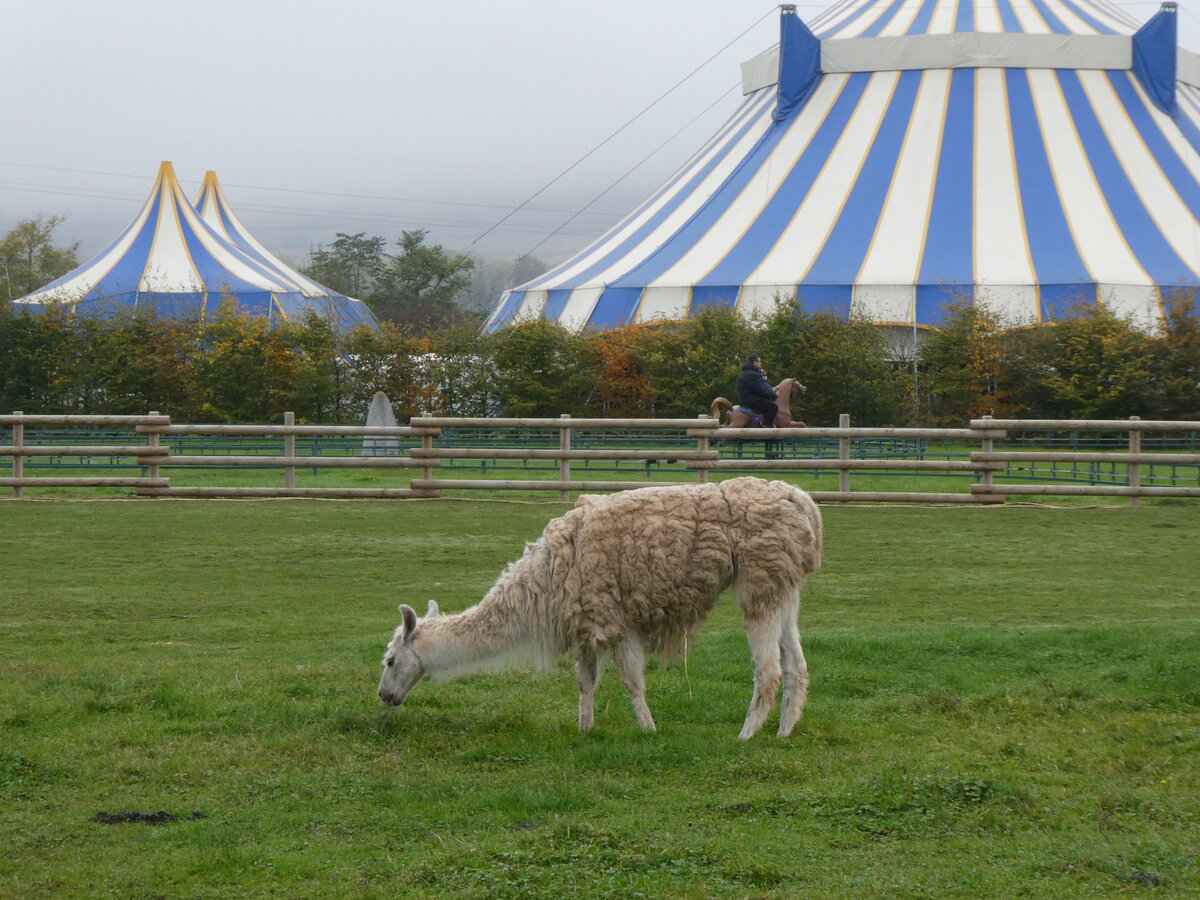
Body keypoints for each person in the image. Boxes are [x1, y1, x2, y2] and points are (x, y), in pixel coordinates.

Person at [736, 354, 778, 427]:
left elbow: (759, 387)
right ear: (754, 362)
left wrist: (770, 390)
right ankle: (768, 427)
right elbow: (761, 389)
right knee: (773, 407)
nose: (760, 363)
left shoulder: (745, 373)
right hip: (751, 400)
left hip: (745, 399)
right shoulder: (753, 374)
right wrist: (773, 395)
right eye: (759, 361)